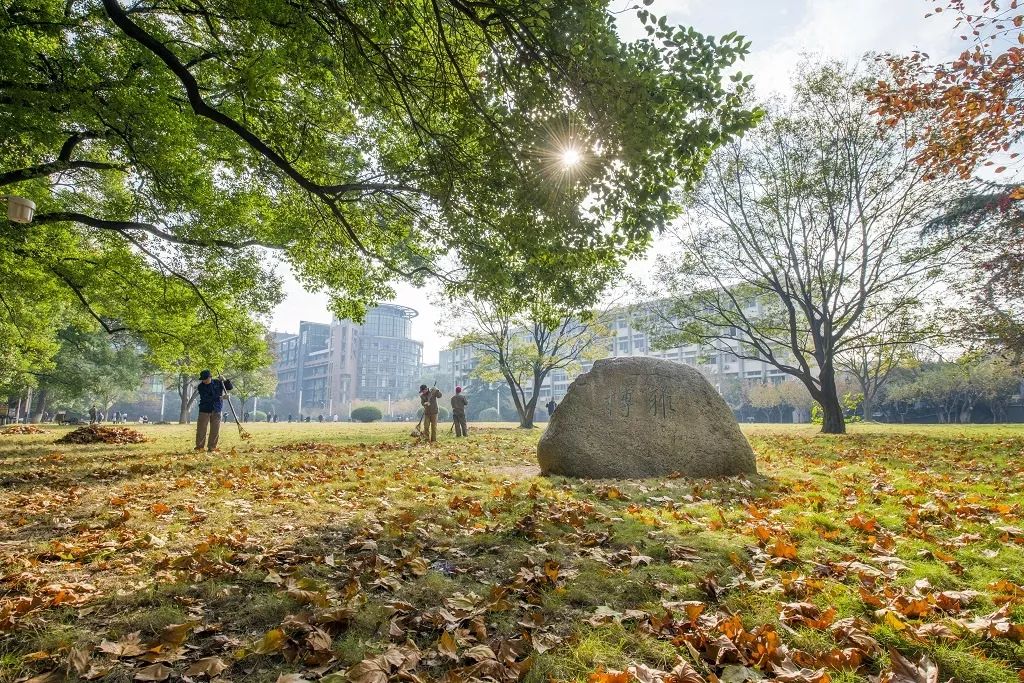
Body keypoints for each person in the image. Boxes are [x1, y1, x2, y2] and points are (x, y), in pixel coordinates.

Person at [195, 370, 233, 452]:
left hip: (217, 409)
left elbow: (229, 387)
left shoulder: (218, 383)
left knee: (215, 430)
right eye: (203, 379)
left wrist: (225, 380)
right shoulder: (201, 387)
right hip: (204, 410)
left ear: (210, 377)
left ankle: (212, 447)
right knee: (201, 429)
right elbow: (207, 398)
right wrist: (221, 397)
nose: (204, 381)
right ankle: (199, 447)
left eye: (205, 379)